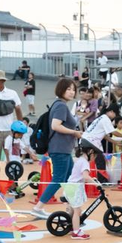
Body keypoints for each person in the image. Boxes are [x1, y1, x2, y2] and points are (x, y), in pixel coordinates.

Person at [32, 77, 82, 215]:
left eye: (73, 89)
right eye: (68, 89)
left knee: (70, 178)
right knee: (59, 179)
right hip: (60, 149)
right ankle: (38, 207)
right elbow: (55, 125)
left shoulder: (59, 104)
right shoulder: (61, 106)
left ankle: (71, 207)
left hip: (63, 149)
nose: (72, 92)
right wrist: (74, 132)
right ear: (61, 90)